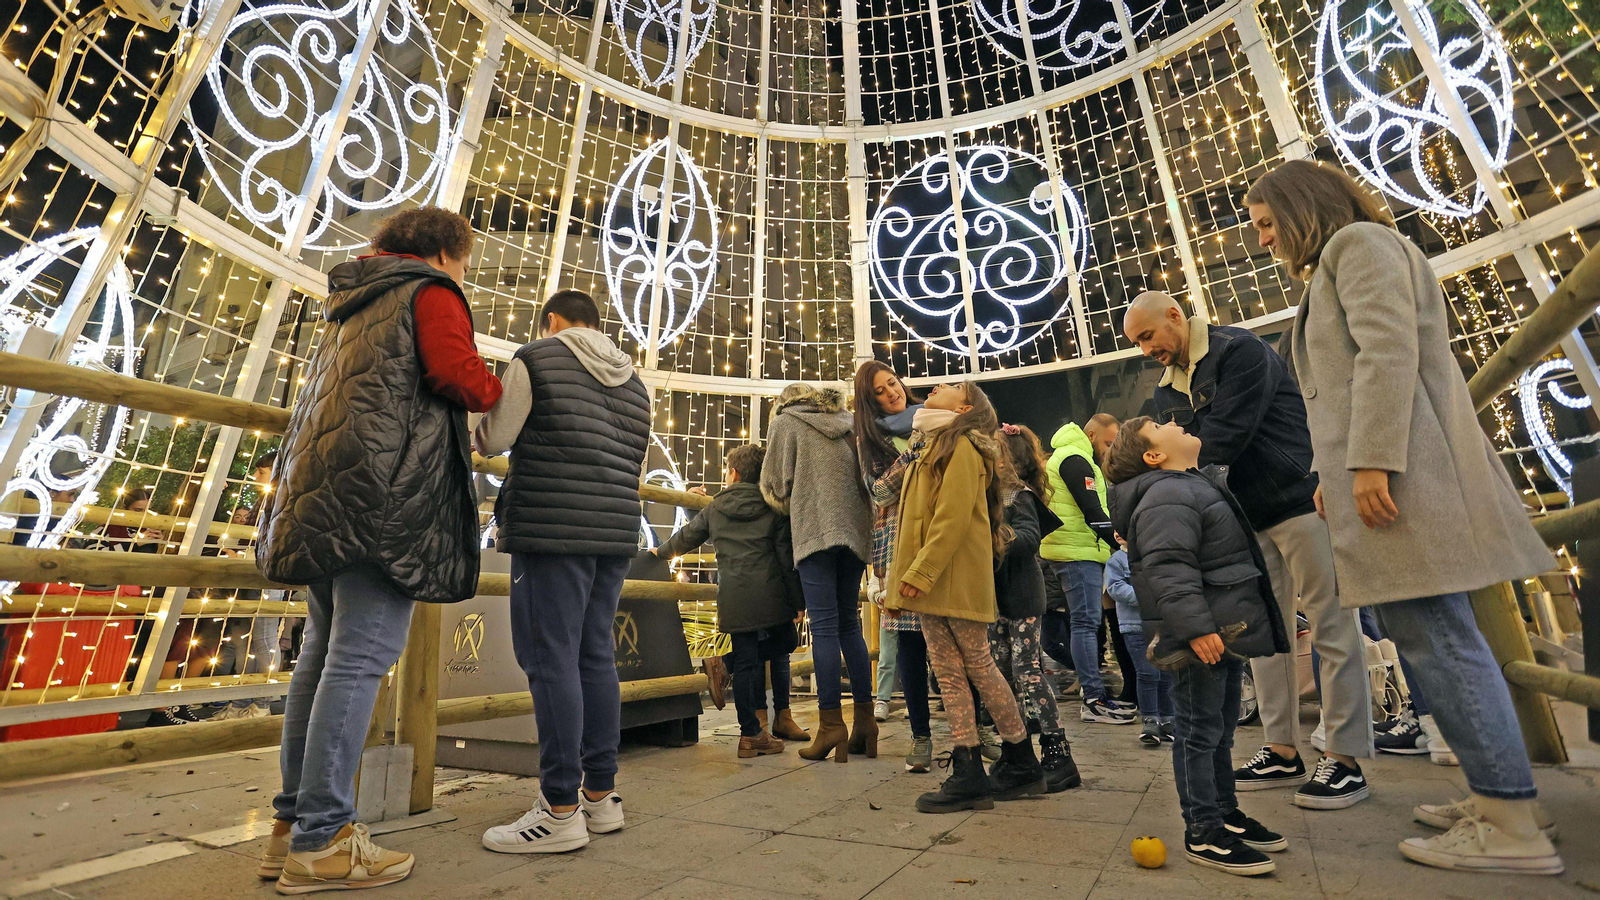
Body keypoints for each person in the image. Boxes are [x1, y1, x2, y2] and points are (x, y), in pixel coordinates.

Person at [1244, 159, 1564, 873]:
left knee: (1438, 638)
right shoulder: (1351, 253)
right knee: (1435, 636)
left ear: (1302, 208)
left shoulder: (1356, 247)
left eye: (1267, 223)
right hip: (1385, 473)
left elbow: (1385, 352)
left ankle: (1511, 822)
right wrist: (1338, 473)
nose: (1262, 240)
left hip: (1402, 479)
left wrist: (1370, 462)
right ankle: (1503, 796)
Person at [256, 207, 502, 891]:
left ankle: (291, 826)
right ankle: (324, 838)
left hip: (323, 489)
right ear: (447, 252)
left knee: (322, 655)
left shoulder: (349, 299)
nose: (465, 274)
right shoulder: (429, 291)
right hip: (382, 497)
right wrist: (497, 390)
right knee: (360, 658)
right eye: (466, 262)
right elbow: (459, 373)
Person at [1126, 289, 1375, 809]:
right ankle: (1282, 747)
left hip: (1297, 499)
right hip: (1241, 516)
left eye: (1147, 336)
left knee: (1330, 621)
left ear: (1175, 315)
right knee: (1264, 634)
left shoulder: (1238, 350)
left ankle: (1347, 758)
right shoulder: (1167, 391)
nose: (1145, 350)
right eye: (1136, 344)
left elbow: (1224, 435)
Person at [474, 288, 651, 854]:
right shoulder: (635, 383)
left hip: (552, 528)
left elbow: (496, 437)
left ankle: (558, 808)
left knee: (550, 658)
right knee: (594, 653)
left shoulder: (537, 357)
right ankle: (600, 796)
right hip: (615, 531)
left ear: (552, 321)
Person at [1105, 417, 1292, 877]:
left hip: (1217, 631)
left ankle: (1224, 811)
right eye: (1157, 423)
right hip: (1200, 638)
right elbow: (1170, 568)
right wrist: (1194, 628)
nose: (1172, 420)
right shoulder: (1168, 494)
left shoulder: (1187, 485)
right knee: (1198, 731)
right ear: (1154, 455)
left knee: (1220, 729)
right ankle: (1203, 829)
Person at [887, 382, 1044, 813]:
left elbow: (952, 516)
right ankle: (971, 765)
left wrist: (920, 571)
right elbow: (912, 519)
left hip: (949, 575)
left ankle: (1018, 759)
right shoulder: (931, 443)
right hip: (934, 577)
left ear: (964, 407)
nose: (937, 386)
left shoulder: (962, 446)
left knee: (975, 663)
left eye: (951, 386)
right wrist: (904, 576)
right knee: (949, 671)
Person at [653, 445, 806, 758]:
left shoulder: (715, 507)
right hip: (771, 595)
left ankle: (748, 728)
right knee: (785, 642)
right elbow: (785, 556)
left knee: (748, 660)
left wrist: (659, 553)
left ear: (733, 474)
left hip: (733, 595)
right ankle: (750, 731)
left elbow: (687, 537)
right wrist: (798, 601)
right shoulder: (774, 508)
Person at [762, 382, 876, 762]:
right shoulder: (848, 421)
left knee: (824, 627)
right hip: (856, 532)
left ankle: (830, 728)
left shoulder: (785, 423)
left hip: (814, 531)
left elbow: (775, 484)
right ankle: (865, 723)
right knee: (849, 625)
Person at [853, 360, 934, 772]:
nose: (892, 393)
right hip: (898, 547)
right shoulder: (872, 440)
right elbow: (880, 491)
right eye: (881, 392)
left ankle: (977, 733)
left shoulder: (929, 419)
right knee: (911, 647)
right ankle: (921, 737)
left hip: (938, 540)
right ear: (870, 402)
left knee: (957, 643)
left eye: (894, 384)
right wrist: (916, 451)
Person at [993, 423, 1079, 792]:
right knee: (1000, 671)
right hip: (994, 600)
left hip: (1023, 597)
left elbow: (1030, 538)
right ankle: (1018, 748)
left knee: (1027, 669)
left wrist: (997, 536)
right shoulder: (990, 496)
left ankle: (1058, 751)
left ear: (1005, 460)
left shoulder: (1018, 495)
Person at [1040, 413, 1134, 723]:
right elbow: (1093, 510)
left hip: (1076, 549)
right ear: (1091, 435)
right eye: (1109, 442)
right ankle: (1094, 699)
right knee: (1085, 623)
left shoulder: (1070, 456)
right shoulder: (1074, 458)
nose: (1111, 450)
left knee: (1086, 623)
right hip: (1075, 550)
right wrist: (1123, 542)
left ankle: (1094, 696)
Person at [1104, 540, 1173, 746]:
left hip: (1161, 625)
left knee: (1165, 671)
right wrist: (1146, 597)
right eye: (1116, 529)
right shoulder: (1116, 560)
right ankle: (1150, 719)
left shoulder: (1155, 557)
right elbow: (1115, 588)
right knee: (1147, 672)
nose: (1117, 533)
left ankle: (1169, 718)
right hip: (1132, 626)